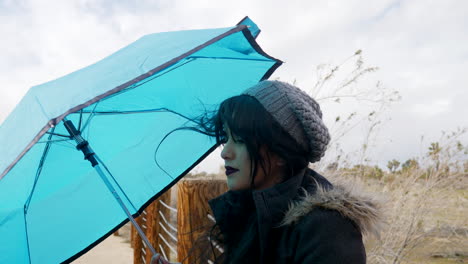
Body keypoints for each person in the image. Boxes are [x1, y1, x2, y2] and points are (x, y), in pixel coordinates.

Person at [189, 80, 381, 264]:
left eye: (239, 139)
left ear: (281, 151)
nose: (225, 153)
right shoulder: (247, 212)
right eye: (226, 138)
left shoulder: (327, 229)